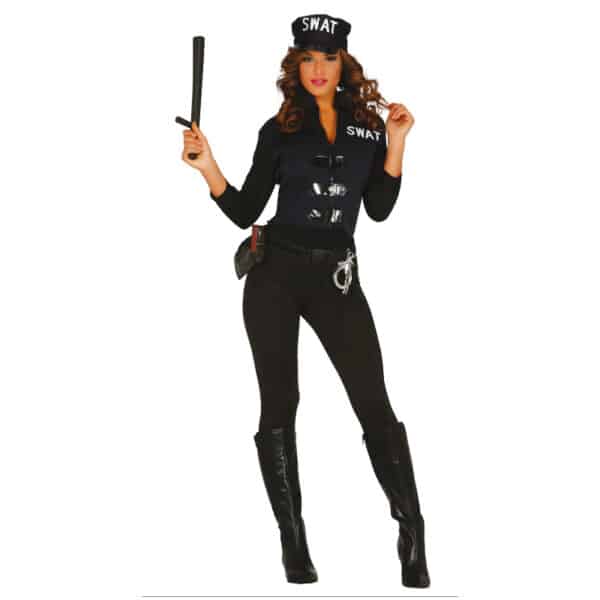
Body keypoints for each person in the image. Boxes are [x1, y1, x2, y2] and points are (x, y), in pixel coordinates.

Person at [181, 13, 431, 588]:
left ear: (344, 64)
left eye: (329, 58)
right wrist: (207, 165)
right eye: (308, 59)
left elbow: (379, 209)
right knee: (280, 402)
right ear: (296, 65)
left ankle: (412, 531)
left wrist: (396, 143)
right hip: (274, 274)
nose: (318, 69)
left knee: (373, 401)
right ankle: (293, 541)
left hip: (337, 279)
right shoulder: (279, 129)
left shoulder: (368, 128)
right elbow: (245, 211)